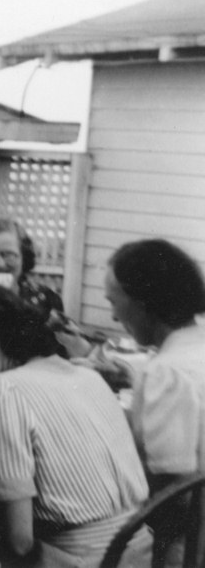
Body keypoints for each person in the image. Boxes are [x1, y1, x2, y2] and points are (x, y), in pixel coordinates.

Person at [0, 277, 150, 567]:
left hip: (82, 561)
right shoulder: (86, 375)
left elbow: (20, 542)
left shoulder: (0, 390)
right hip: (143, 553)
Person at [105, 238, 205, 567]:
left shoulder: (166, 372)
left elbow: (172, 491)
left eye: (114, 302)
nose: (114, 317)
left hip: (188, 546)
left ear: (144, 302)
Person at [0, 218, 92, 358]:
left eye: (9, 255)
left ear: (23, 257)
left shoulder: (46, 300)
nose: (0, 264)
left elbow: (64, 355)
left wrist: (74, 342)